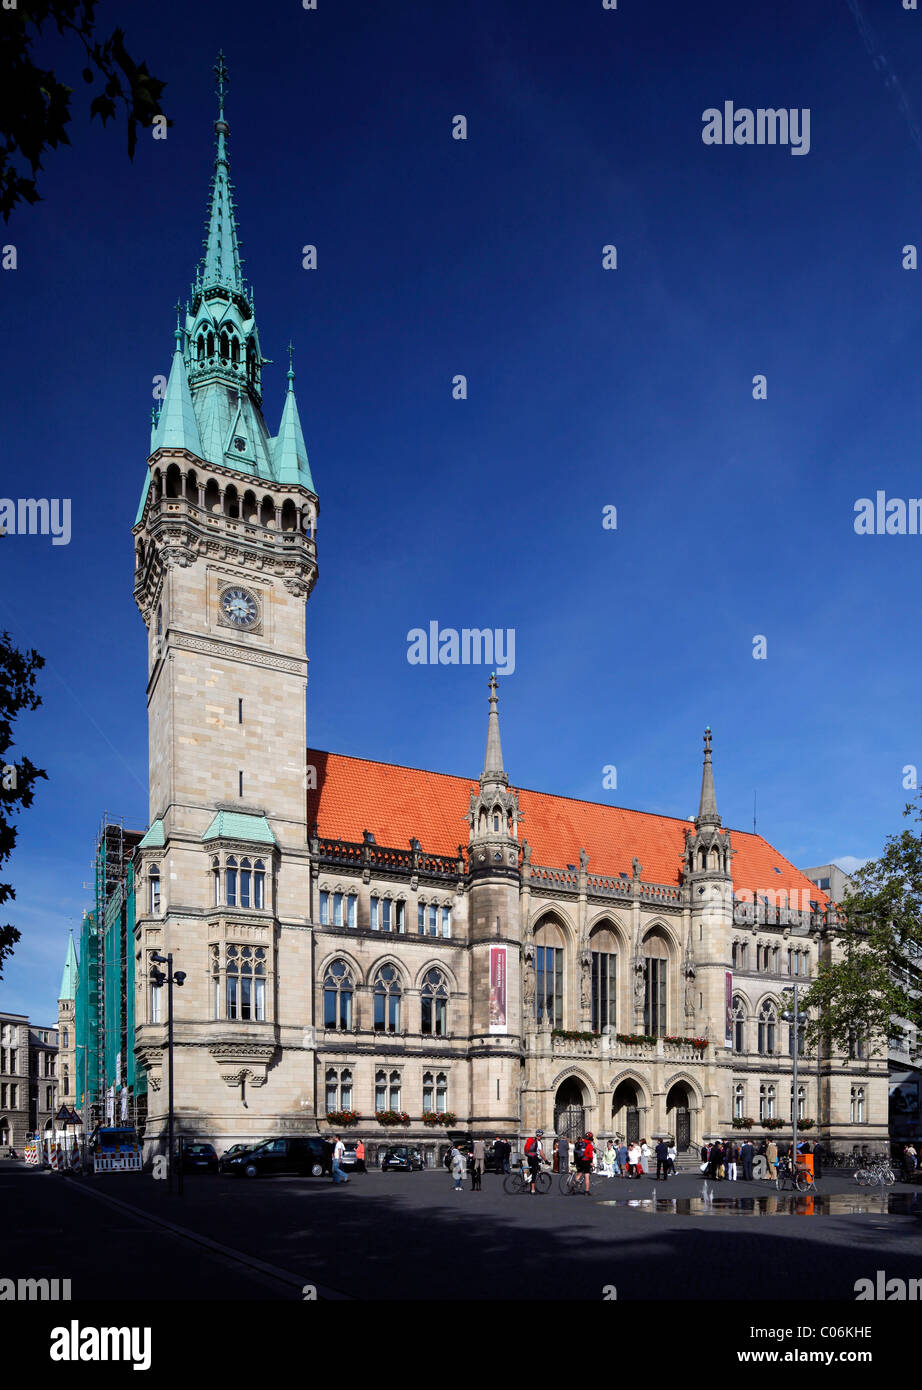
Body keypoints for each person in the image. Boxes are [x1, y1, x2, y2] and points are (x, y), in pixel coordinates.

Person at [524, 1129, 546, 1193]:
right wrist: (546, 1160)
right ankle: (533, 1189)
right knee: (534, 1173)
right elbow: (541, 1153)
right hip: (534, 1158)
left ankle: (530, 1186)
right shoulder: (538, 1143)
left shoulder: (533, 1140)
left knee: (531, 1171)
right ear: (541, 1135)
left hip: (529, 1157)